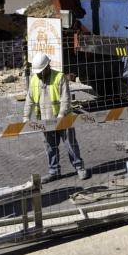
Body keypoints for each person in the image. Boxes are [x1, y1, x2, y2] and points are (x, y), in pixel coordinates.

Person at [24, 53, 90, 182]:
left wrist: (61, 114)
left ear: (47, 67)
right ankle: (54, 171)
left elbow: (65, 99)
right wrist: (26, 117)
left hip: (63, 119)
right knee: (50, 147)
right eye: (37, 72)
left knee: (70, 144)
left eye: (40, 72)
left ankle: (79, 168)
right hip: (45, 120)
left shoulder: (59, 77)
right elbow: (29, 100)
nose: (38, 74)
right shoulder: (34, 80)